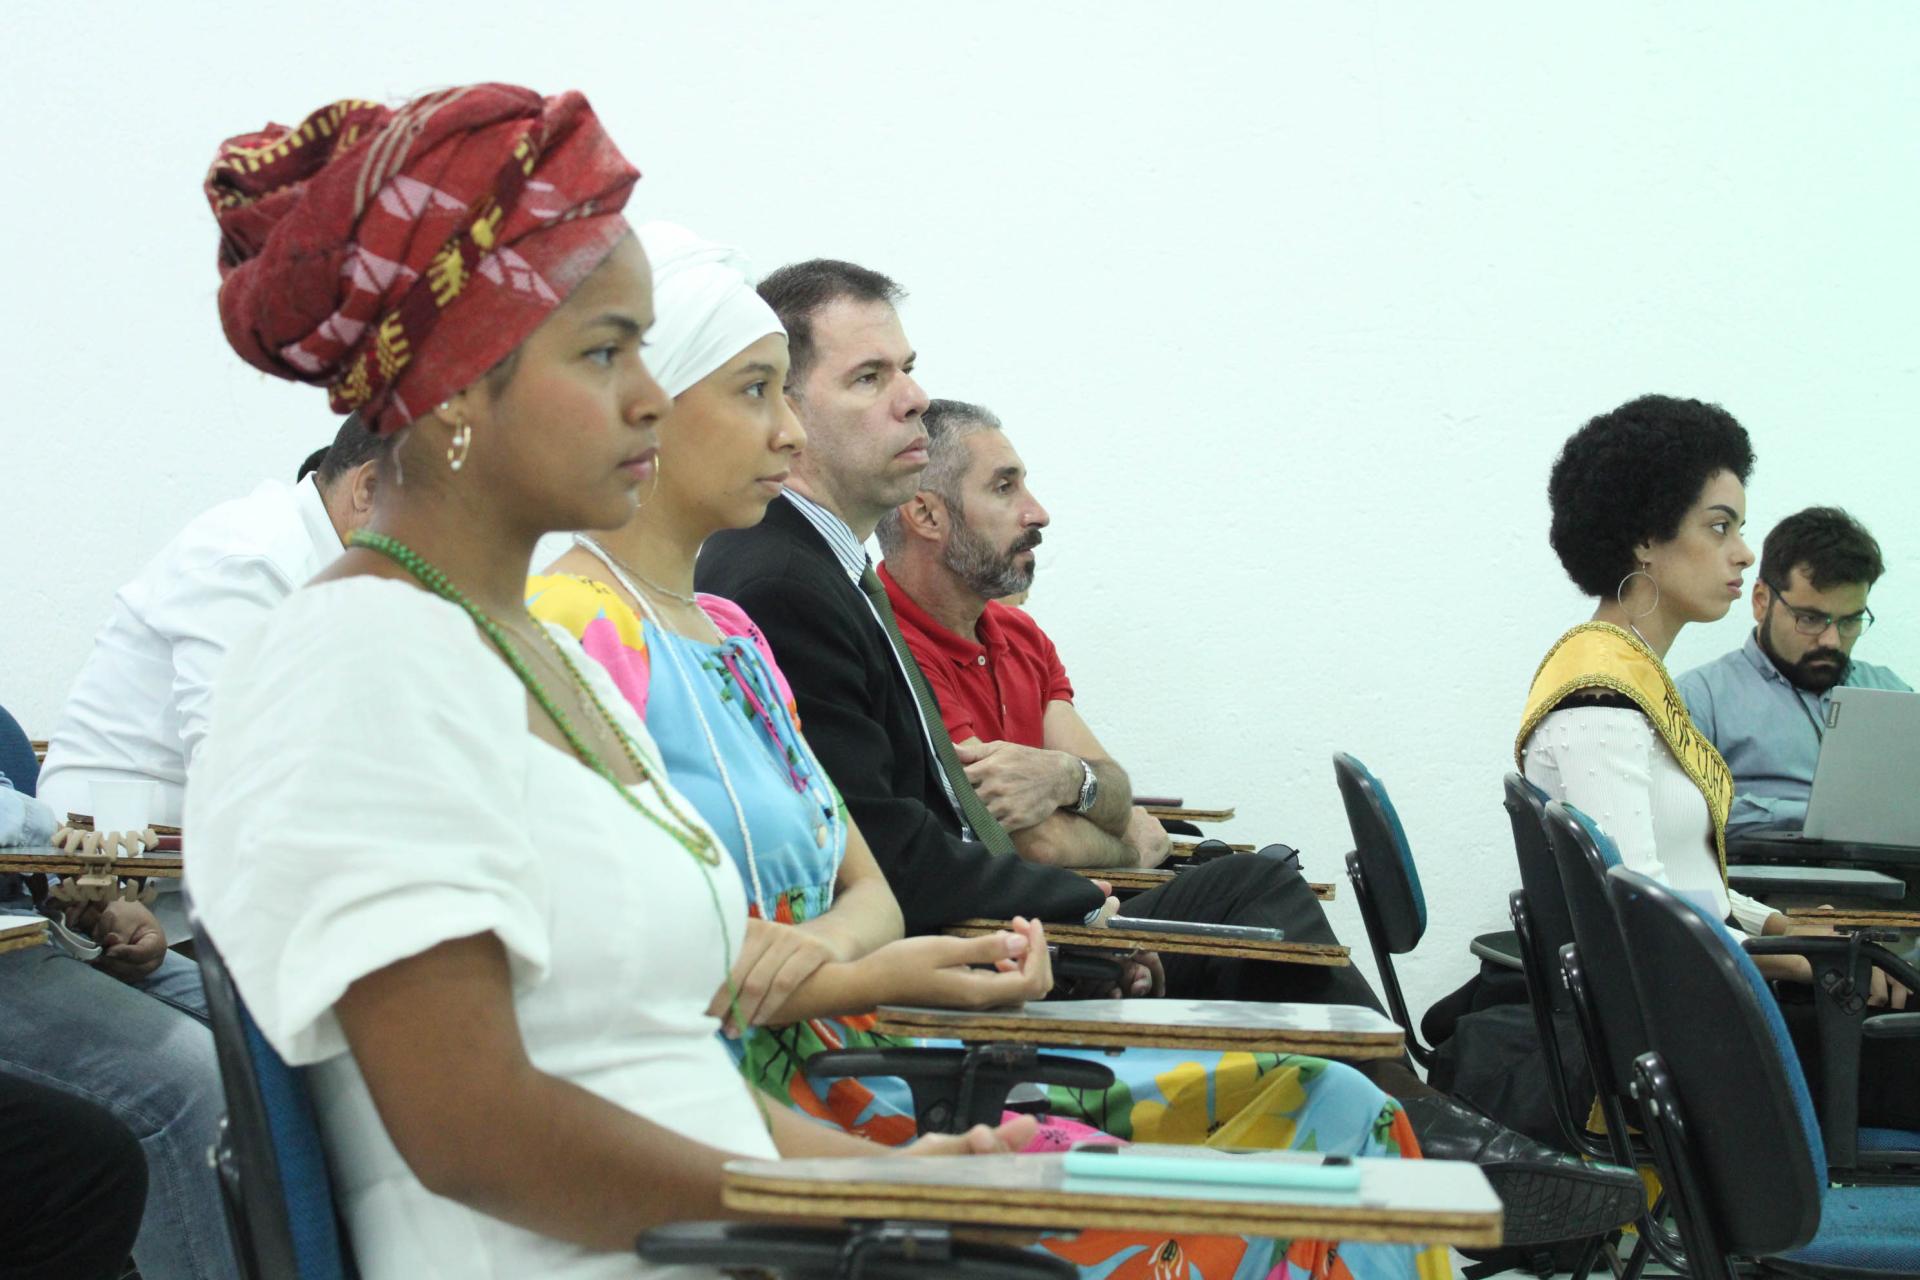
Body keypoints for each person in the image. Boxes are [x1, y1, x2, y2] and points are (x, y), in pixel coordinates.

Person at [184, 86, 1037, 1280]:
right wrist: (840, 1199)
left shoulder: (546, 651)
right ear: (452, 389)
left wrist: (874, 1176)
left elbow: (666, 1070)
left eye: (644, 346)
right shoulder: (361, 658)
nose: (649, 394)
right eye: (604, 351)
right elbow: (474, 1129)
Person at [531, 223, 1451, 1280]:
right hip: (836, 1090)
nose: (784, 434)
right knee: (1333, 1157)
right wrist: (883, 969)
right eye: (759, 393)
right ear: (656, 407)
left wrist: (857, 952)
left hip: (888, 1025)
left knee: (1338, 1095)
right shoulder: (588, 629)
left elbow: (865, 882)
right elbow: (643, 985)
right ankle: (1458, 1156)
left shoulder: (733, 631)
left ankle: (1447, 1138)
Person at [695, 259, 1642, 1244]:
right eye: (869, 377)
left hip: (991, 936)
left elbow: (1108, 799)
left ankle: (1441, 1137)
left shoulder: (856, 583)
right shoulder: (783, 581)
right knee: (1256, 904)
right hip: (955, 983)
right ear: (786, 410)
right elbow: (898, 847)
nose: (912, 398)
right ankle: (1440, 1144)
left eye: (909, 368)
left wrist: (1077, 801)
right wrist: (1080, 900)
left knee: (1253, 887)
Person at [1517, 394, 1916, 1129]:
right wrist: (1804, 961)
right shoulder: (1601, 703)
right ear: (1645, 539)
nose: (1741, 552)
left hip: (1719, 1012)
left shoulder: (1628, 676)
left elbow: (1681, 882)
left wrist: (1776, 927)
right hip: (1698, 1049)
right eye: (1720, 526)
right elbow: (1647, 923)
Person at [39, 412, 384, 936]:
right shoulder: (253, 559)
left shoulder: (347, 582)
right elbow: (241, 792)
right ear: (370, 488)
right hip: (110, 890)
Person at [0, 768, 234, 1280]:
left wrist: (89, 898)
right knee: (189, 1087)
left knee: (267, 1035)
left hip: (34, 919)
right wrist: (55, 834)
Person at [1677, 506, 1912, 837]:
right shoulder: (1700, 699)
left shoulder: (1893, 694)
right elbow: (1683, 813)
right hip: (1768, 881)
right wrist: (1816, 818)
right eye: (1810, 618)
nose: (1831, 641)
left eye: (1849, 621)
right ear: (1761, 601)